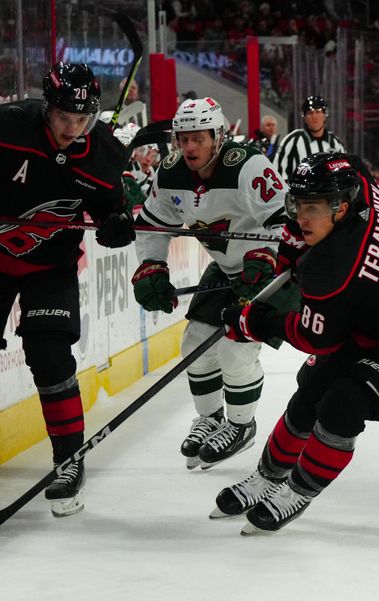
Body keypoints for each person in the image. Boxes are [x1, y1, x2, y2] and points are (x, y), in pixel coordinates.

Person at [0, 62, 135, 517]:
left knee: (50, 354)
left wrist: (117, 224)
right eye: (63, 118)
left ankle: (69, 459)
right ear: (46, 108)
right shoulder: (7, 124)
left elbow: (114, 206)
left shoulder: (105, 152)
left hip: (50, 266)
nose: (72, 129)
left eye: (82, 119)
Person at [217, 152, 379, 534]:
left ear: (341, 208)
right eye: (299, 204)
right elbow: (341, 165)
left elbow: (314, 336)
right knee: (310, 392)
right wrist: (288, 253)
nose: (302, 217)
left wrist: (255, 322)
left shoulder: (331, 266)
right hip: (377, 316)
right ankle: (267, 478)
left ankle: (297, 491)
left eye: (313, 208)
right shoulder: (357, 183)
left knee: (343, 404)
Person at [131, 97, 302, 470]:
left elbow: (286, 219)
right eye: (183, 139)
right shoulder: (170, 170)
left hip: (271, 272)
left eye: (198, 138)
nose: (189, 147)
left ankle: (241, 426)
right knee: (194, 343)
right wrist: (151, 265)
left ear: (218, 136)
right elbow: (151, 222)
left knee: (236, 349)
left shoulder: (248, 165)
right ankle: (210, 419)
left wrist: (268, 254)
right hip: (227, 269)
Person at [273, 95, 346, 180]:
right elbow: (277, 173)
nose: (314, 117)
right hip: (298, 192)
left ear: (325, 115)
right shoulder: (292, 140)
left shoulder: (336, 143)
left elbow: (344, 173)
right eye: (310, 113)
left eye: (318, 112)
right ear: (304, 117)